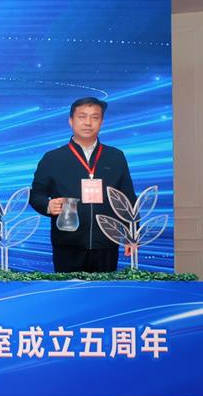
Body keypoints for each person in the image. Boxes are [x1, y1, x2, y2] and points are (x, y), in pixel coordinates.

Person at [30, 97, 136, 272]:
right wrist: (47, 205)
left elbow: (128, 198)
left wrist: (132, 233)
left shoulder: (115, 157)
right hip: (67, 242)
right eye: (82, 117)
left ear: (101, 122)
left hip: (107, 241)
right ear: (71, 121)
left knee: (104, 288)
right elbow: (36, 195)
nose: (88, 123)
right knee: (69, 288)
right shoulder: (53, 158)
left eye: (95, 117)